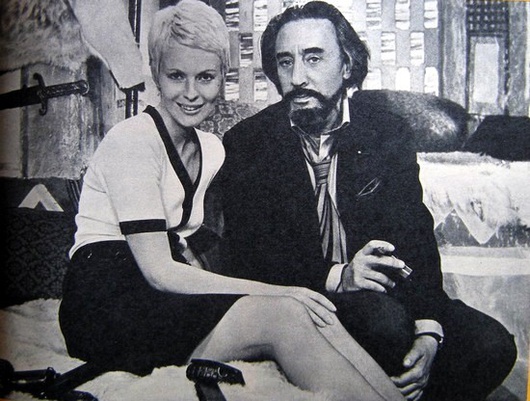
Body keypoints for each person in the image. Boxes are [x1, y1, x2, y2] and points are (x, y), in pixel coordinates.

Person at [58, 2, 406, 400]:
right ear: (155, 72)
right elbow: (160, 272)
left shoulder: (212, 150)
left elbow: (202, 247)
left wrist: (286, 292)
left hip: (164, 298)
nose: (191, 93)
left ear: (223, 76)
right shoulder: (133, 141)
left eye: (205, 77)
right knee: (286, 312)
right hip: (106, 304)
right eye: (176, 76)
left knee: (313, 310)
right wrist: (279, 291)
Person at [219, 2, 517, 401]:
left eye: (313, 58)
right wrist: (339, 276)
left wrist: (429, 330)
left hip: (389, 294)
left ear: (347, 65)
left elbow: (416, 236)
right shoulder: (248, 142)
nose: (297, 77)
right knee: (385, 325)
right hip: (305, 298)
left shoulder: (385, 131)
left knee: (492, 345)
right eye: (285, 62)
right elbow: (248, 257)